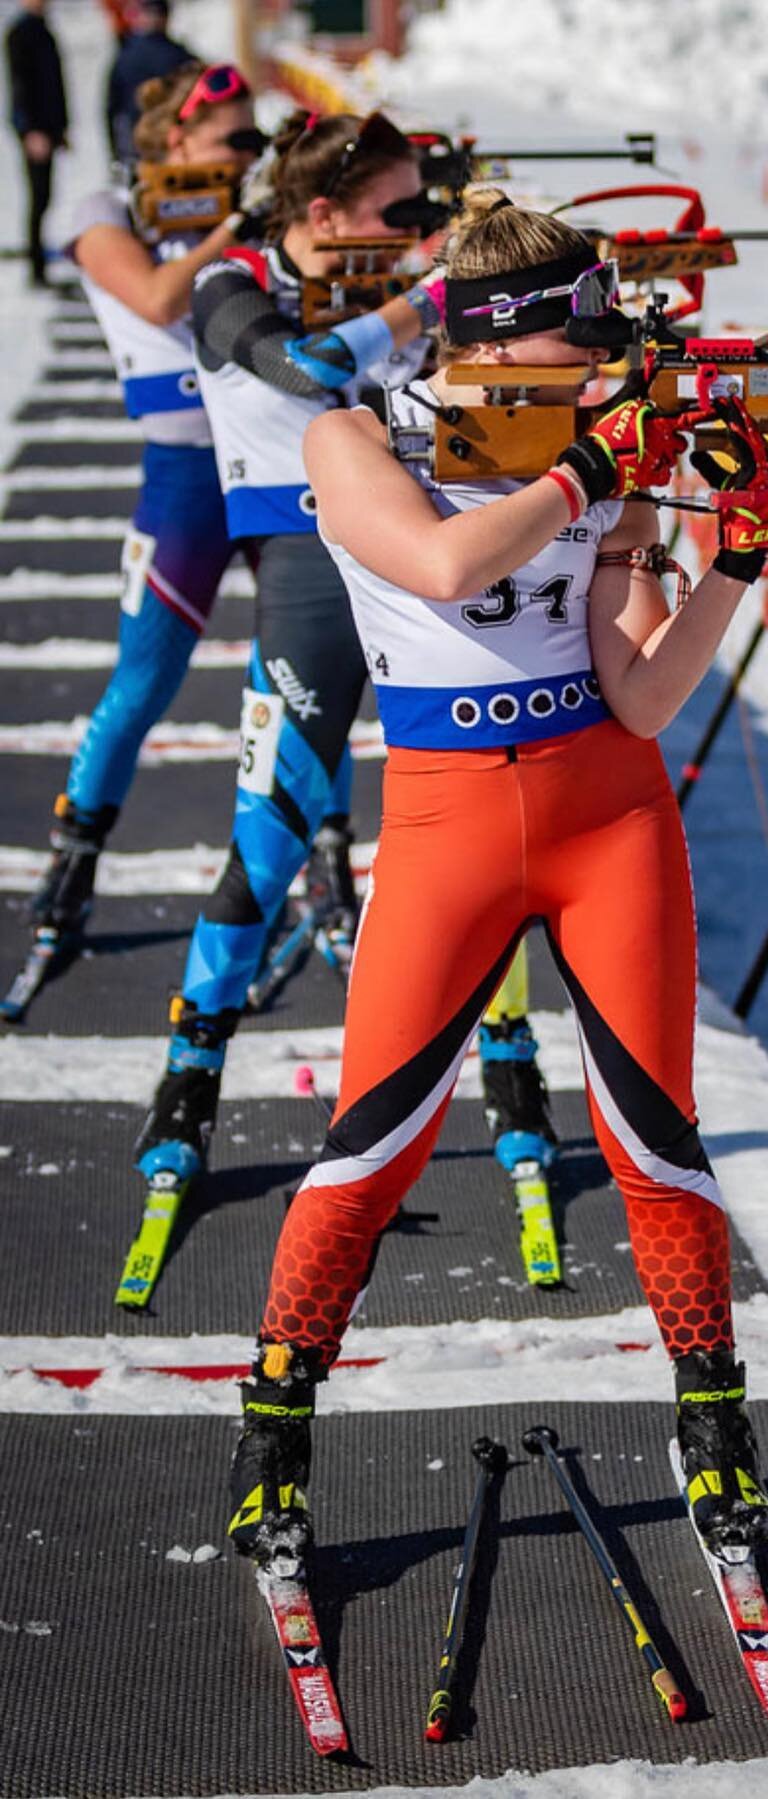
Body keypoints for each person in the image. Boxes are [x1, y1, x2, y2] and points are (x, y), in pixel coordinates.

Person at [225, 190, 768, 1573]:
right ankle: (273, 1431)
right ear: (509, 341)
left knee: (658, 1139)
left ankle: (714, 1418)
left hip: (611, 812)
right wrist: (595, 471)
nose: (597, 377)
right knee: (370, 1145)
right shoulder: (350, 435)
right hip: (445, 823)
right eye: (575, 352)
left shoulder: (604, 452)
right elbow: (441, 556)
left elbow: (644, 695)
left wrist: (738, 562)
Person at [131, 109, 444, 1201]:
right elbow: (304, 366)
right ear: (323, 213)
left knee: (474, 835)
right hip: (309, 569)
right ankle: (188, 1078)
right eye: (398, 211)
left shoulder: (389, 279)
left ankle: (506, 1073)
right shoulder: (233, 280)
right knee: (264, 837)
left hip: (421, 560)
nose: (418, 227)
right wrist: (426, 300)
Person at [13, 63, 259, 1001]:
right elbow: (155, 298)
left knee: (301, 688)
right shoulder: (102, 202)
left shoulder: (258, 203)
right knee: (141, 684)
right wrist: (246, 219)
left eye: (253, 140)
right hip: (186, 478)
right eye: (231, 141)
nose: (246, 156)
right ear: (175, 145)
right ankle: (68, 873)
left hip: (281, 467)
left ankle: (316, 867)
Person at [5, 0, 67, 288]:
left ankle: (39, 262)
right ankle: (36, 266)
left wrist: (61, 127)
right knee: (38, 198)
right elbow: (21, 87)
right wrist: (30, 130)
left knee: (46, 197)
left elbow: (55, 85)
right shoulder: (22, 33)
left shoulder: (44, 31)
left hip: (47, 129)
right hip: (36, 131)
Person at [106, 1, 193, 166]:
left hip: (133, 143)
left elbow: (112, 107)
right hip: (171, 142)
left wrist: (114, 150)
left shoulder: (125, 55)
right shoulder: (180, 56)